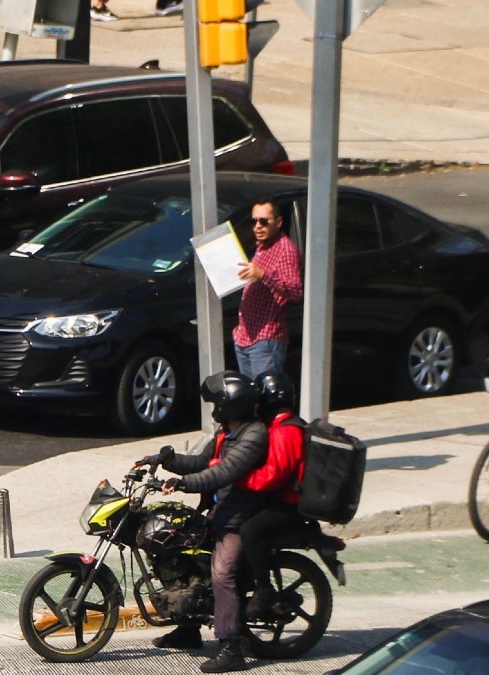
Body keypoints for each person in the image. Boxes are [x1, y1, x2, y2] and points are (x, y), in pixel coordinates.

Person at [136, 371, 268, 673]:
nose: (213, 410)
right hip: (220, 511)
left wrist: (182, 484)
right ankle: (188, 629)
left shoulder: (253, 435)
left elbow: (222, 473)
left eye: (216, 404)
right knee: (174, 548)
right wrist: (162, 459)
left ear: (228, 404)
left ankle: (230, 648)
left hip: (240, 516)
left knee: (222, 573)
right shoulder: (226, 432)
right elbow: (199, 462)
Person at [238, 370, 312, 619]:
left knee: (250, 530)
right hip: (279, 499)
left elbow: (272, 476)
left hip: (289, 505)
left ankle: (264, 588)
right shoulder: (278, 427)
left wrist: (237, 478)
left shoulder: (286, 431)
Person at [233, 200, 303, 379]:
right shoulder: (262, 247)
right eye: (254, 221)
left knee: (266, 399)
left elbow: (295, 292)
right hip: (245, 336)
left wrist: (263, 275)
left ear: (278, 222)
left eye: (264, 221)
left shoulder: (285, 250)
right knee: (251, 399)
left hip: (266, 341)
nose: (258, 226)